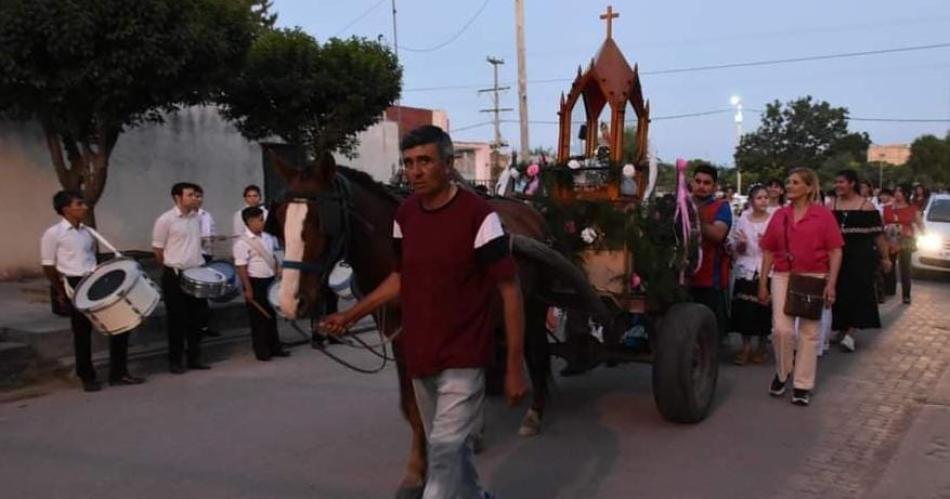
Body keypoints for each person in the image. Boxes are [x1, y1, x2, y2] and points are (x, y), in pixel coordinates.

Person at [320, 125, 528, 499]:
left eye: (425, 162)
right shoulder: (405, 215)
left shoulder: (479, 216)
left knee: (444, 455)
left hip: (465, 355)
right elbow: (399, 278)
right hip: (420, 355)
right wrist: (349, 316)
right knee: (447, 448)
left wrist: (513, 366)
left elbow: (510, 291)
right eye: (409, 163)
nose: (415, 171)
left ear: (448, 165)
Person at [41, 191, 145, 392]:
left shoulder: (88, 231)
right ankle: (86, 376)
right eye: (79, 204)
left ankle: (119, 373)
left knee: (119, 323)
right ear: (66, 209)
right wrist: (60, 290)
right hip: (74, 282)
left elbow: (91, 257)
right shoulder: (53, 234)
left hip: (94, 280)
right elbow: (48, 265)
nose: (84, 208)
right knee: (82, 332)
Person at [759, 167, 843, 406]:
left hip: (814, 275)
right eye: (788, 181)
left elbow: (835, 250)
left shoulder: (823, 216)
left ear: (808, 188)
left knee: (809, 332)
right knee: (781, 330)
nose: (789, 186)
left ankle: (802, 384)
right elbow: (768, 250)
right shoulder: (779, 215)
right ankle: (783, 371)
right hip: (783, 274)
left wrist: (831, 283)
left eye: (795, 182)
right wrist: (763, 282)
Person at [828, 170, 891, 352]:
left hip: (861, 257)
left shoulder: (867, 207)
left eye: (842, 182)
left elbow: (878, 235)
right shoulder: (831, 205)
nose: (838, 185)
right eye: (836, 182)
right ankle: (839, 327)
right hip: (838, 255)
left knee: (858, 292)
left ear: (852, 183)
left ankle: (851, 332)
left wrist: (885, 258)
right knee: (839, 291)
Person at [152, 182, 211, 373]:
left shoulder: (197, 218)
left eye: (196, 195)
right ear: (178, 198)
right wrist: (172, 267)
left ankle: (195, 357)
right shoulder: (165, 220)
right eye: (191, 195)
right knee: (177, 320)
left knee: (198, 318)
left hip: (197, 272)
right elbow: (158, 250)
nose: (196, 198)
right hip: (175, 274)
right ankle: (175, 361)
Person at [233, 207, 287, 361]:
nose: (263, 222)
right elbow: (241, 268)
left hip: (269, 280)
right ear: (250, 221)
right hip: (254, 282)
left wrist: (277, 268)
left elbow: (272, 255)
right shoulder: (242, 243)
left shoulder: (268, 237)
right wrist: (248, 289)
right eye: (260, 220)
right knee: (258, 318)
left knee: (271, 316)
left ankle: (275, 347)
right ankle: (262, 351)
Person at [727, 185, 773, 365]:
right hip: (746, 266)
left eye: (765, 197)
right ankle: (745, 346)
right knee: (744, 307)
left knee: (763, 308)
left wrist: (765, 243)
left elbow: (778, 246)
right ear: (752, 201)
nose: (763, 201)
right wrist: (742, 244)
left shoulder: (773, 220)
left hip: (766, 267)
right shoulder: (743, 219)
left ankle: (762, 346)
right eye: (759, 198)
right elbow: (735, 246)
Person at [689, 164, 733, 339]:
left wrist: (696, 217)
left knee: (707, 326)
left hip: (708, 277)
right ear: (692, 182)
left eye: (707, 183)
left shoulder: (722, 207)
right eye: (698, 181)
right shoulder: (681, 203)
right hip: (681, 276)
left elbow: (718, 234)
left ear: (714, 186)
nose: (701, 186)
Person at [883, 185, 923, 304]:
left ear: (906, 193)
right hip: (890, 239)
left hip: (906, 240)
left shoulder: (912, 208)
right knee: (889, 265)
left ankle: (906, 295)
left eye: (900, 191)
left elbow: (920, 223)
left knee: (905, 268)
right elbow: (881, 222)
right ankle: (889, 290)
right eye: (896, 191)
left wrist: (924, 232)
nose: (897, 193)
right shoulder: (887, 208)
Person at [193, 186, 219, 338]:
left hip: (206, 255)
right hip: (194, 256)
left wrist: (214, 238)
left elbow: (211, 233)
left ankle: (204, 325)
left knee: (205, 293)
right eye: (195, 196)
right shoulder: (188, 217)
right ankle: (196, 326)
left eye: (200, 196)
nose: (198, 199)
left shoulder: (207, 215)